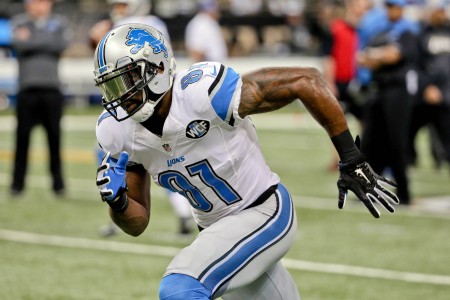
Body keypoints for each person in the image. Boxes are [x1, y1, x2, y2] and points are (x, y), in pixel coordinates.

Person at [94, 24, 399, 299]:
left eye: (126, 81)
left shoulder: (200, 93)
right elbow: (137, 224)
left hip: (264, 210)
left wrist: (351, 157)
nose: (119, 96)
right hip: (218, 232)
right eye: (110, 87)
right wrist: (119, 202)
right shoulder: (117, 131)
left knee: (180, 288)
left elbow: (306, 80)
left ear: (158, 69)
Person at [91, 0, 194, 236]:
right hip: (130, 98)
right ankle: (123, 207)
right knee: (131, 158)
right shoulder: (120, 24)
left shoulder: (147, 25)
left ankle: (181, 211)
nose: (119, 8)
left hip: (147, 97)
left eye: (123, 4)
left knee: (164, 160)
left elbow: (159, 61)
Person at [357, 0, 419, 205]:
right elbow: (363, 58)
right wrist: (380, 56)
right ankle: (368, 190)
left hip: (398, 92)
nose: (391, 10)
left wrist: (377, 56)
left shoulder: (407, 31)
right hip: (378, 90)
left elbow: (394, 56)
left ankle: (404, 193)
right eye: (389, 6)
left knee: (396, 142)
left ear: (401, 9)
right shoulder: (380, 32)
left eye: (395, 6)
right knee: (370, 142)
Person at [10, 0, 70, 196]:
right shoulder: (19, 22)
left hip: (51, 90)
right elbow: (20, 45)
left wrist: (33, 40)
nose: (40, 6)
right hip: (27, 90)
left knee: (54, 139)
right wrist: (45, 40)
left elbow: (60, 45)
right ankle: (17, 185)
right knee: (22, 140)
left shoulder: (59, 22)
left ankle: (58, 185)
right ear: (28, 5)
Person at [321, 0, 369, 170]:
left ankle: (364, 154)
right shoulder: (336, 29)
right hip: (340, 83)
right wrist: (330, 82)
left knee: (365, 120)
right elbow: (329, 58)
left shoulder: (365, 30)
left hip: (359, 83)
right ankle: (338, 159)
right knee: (337, 122)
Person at [407, 3, 450, 170]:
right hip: (426, 95)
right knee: (410, 130)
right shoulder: (422, 34)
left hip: (446, 96)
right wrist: (427, 87)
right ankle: (409, 159)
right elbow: (416, 64)